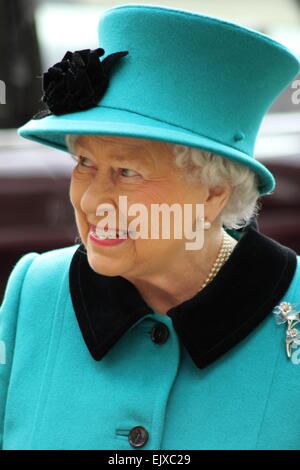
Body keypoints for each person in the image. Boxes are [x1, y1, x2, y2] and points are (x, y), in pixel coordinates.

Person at [1, 4, 300, 450]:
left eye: (126, 172)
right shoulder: (35, 292)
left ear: (213, 192)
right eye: (84, 162)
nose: (90, 200)